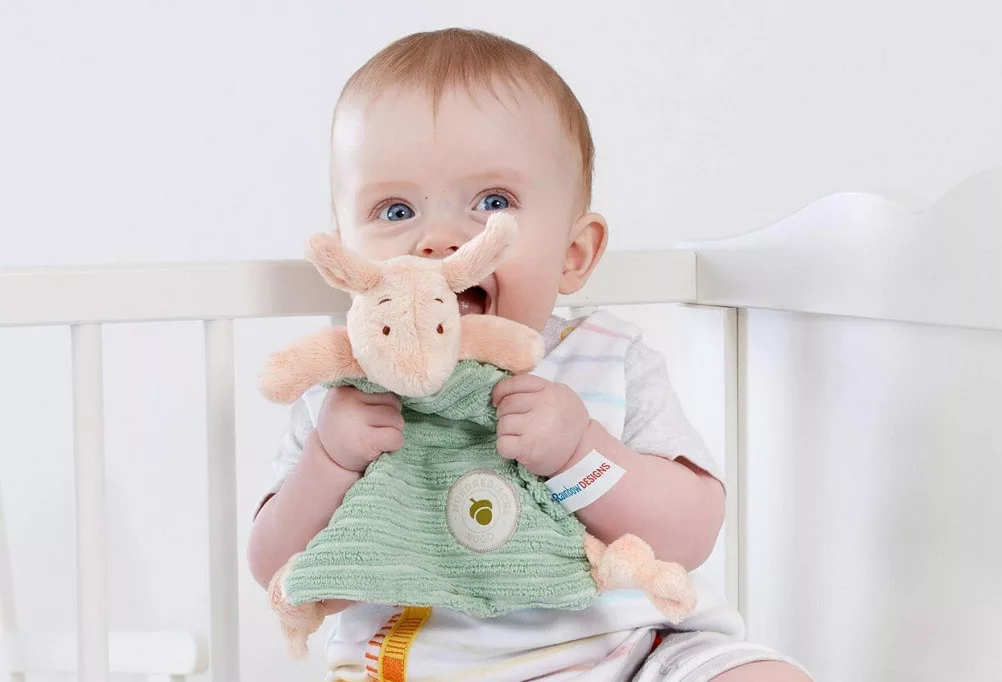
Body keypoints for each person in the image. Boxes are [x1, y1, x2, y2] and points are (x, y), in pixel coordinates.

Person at [248, 28, 812, 682]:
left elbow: (689, 536)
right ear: (343, 256)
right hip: (418, 667)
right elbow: (274, 567)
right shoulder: (341, 392)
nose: (438, 240)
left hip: (635, 655)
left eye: (492, 203)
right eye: (395, 209)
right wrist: (329, 461)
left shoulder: (606, 359)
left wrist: (581, 454)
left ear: (573, 254)